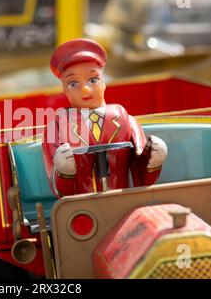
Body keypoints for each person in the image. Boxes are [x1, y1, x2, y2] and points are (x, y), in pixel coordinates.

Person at [42, 38, 167, 198]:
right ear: (64, 90)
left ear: (104, 82)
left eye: (93, 80)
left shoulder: (125, 120)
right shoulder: (57, 128)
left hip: (122, 203)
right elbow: (58, 188)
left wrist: (153, 157)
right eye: (73, 84)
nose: (86, 90)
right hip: (81, 210)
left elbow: (141, 173)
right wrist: (64, 170)